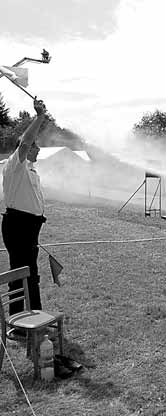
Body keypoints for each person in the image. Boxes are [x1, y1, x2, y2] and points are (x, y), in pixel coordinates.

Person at [2, 98, 48, 322]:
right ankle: (20, 319)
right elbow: (25, 142)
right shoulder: (15, 164)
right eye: (35, 146)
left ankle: (34, 315)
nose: (38, 149)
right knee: (21, 271)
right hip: (18, 225)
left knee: (30, 271)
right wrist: (39, 117)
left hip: (29, 227)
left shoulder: (31, 169)